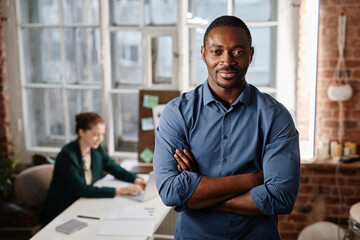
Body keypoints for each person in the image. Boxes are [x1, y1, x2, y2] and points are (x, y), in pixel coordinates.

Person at [153, 15, 300, 239]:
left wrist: (197, 194)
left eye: (238, 52)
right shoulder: (177, 113)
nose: (227, 61)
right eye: (217, 51)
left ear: (251, 55)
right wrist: (251, 180)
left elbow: (280, 197)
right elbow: (171, 191)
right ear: (203, 54)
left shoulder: (276, 116)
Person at [41, 112, 146, 226]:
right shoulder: (67, 155)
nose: (99, 139)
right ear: (81, 132)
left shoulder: (96, 149)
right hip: (64, 210)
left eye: (102, 134)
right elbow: (82, 189)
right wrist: (120, 190)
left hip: (85, 204)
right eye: (95, 134)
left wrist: (137, 180)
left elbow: (114, 168)